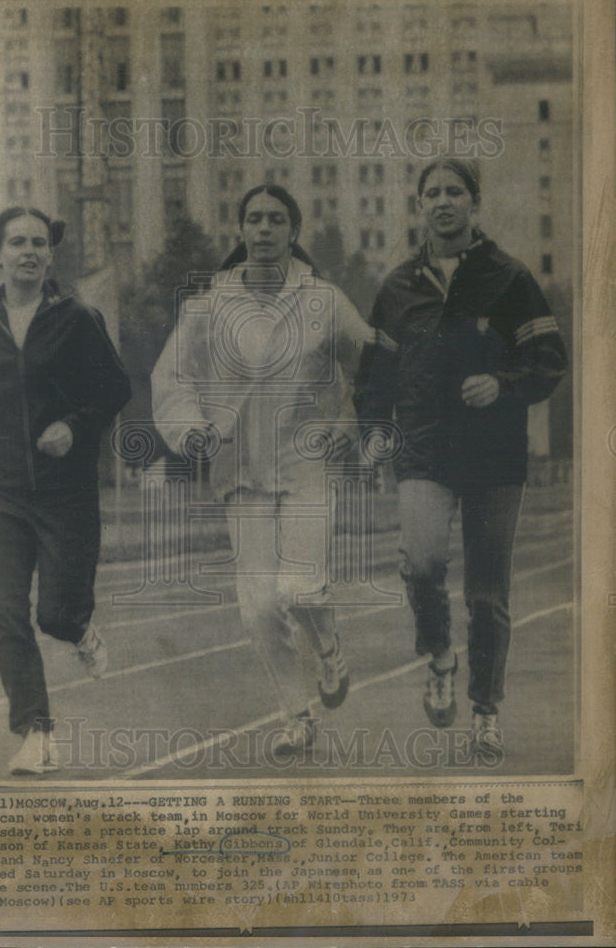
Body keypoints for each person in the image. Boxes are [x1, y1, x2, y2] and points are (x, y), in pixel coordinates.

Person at [354, 158, 568, 761]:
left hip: (495, 458)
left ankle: (485, 711)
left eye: (455, 192)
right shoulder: (397, 286)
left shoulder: (510, 277)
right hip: (424, 451)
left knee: (488, 593)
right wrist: (372, 434)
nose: (443, 202)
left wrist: (503, 382)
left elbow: (550, 359)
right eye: (432, 193)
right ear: (419, 205)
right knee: (421, 565)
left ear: (475, 203)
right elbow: (375, 376)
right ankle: (441, 658)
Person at [151, 184, 375, 755]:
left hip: (306, 464)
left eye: (277, 219)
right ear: (241, 231)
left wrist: (347, 424)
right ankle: (297, 717)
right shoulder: (208, 307)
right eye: (255, 219)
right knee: (257, 609)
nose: (265, 229)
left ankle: (328, 645)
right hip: (241, 470)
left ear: (294, 231)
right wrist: (190, 428)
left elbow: (371, 362)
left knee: (299, 589)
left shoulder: (323, 299)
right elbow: (171, 378)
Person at [0, 206, 131, 775]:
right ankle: (35, 732)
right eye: (16, 243)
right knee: (4, 612)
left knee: (53, 615)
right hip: (1, 491)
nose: (28, 251)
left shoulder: (76, 317)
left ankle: (77, 626)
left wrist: (75, 428)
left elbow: (116, 387)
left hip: (66, 491)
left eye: (38, 243)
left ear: (50, 254)